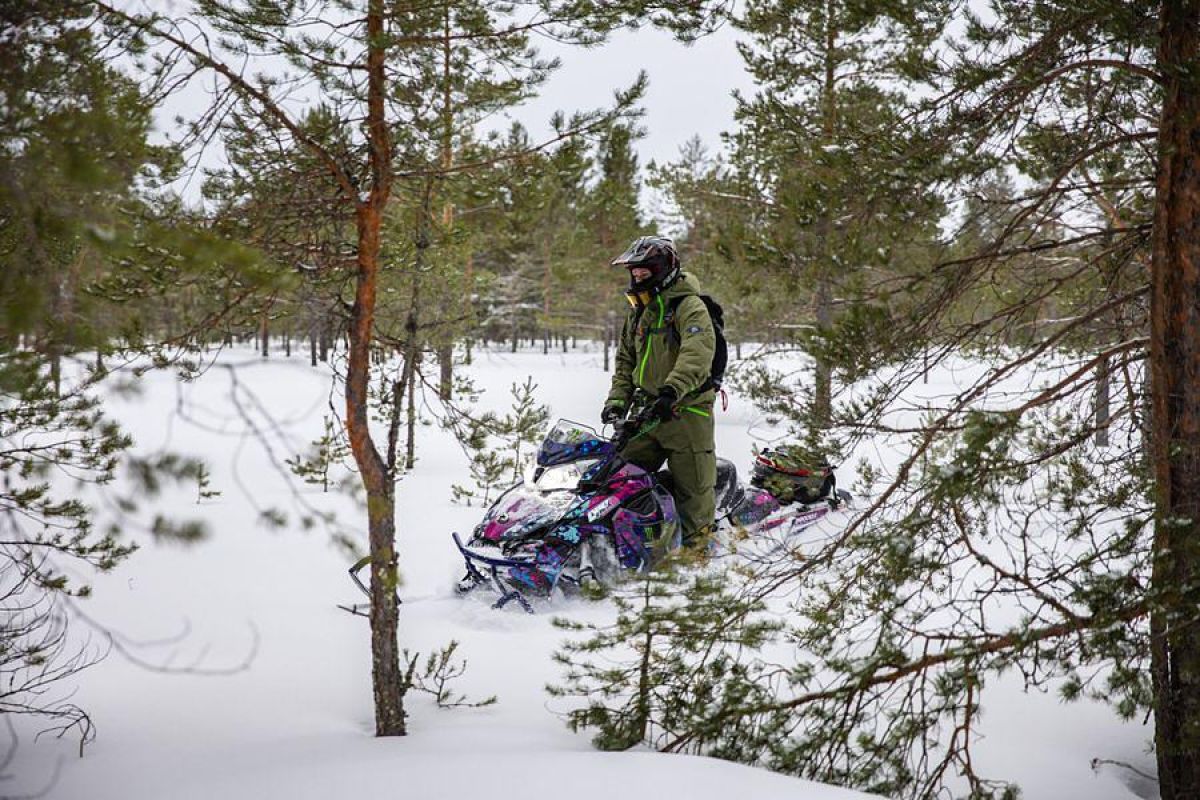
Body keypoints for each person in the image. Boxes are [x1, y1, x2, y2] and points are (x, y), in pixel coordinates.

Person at [602, 236, 716, 547]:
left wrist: (671, 391)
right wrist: (616, 402)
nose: (638, 278)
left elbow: (697, 354)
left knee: (694, 489)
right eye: (634, 273)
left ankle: (698, 553)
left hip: (685, 411)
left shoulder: (690, 307)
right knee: (618, 476)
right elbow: (626, 362)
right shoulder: (640, 311)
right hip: (647, 413)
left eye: (644, 273)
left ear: (663, 269)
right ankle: (621, 541)